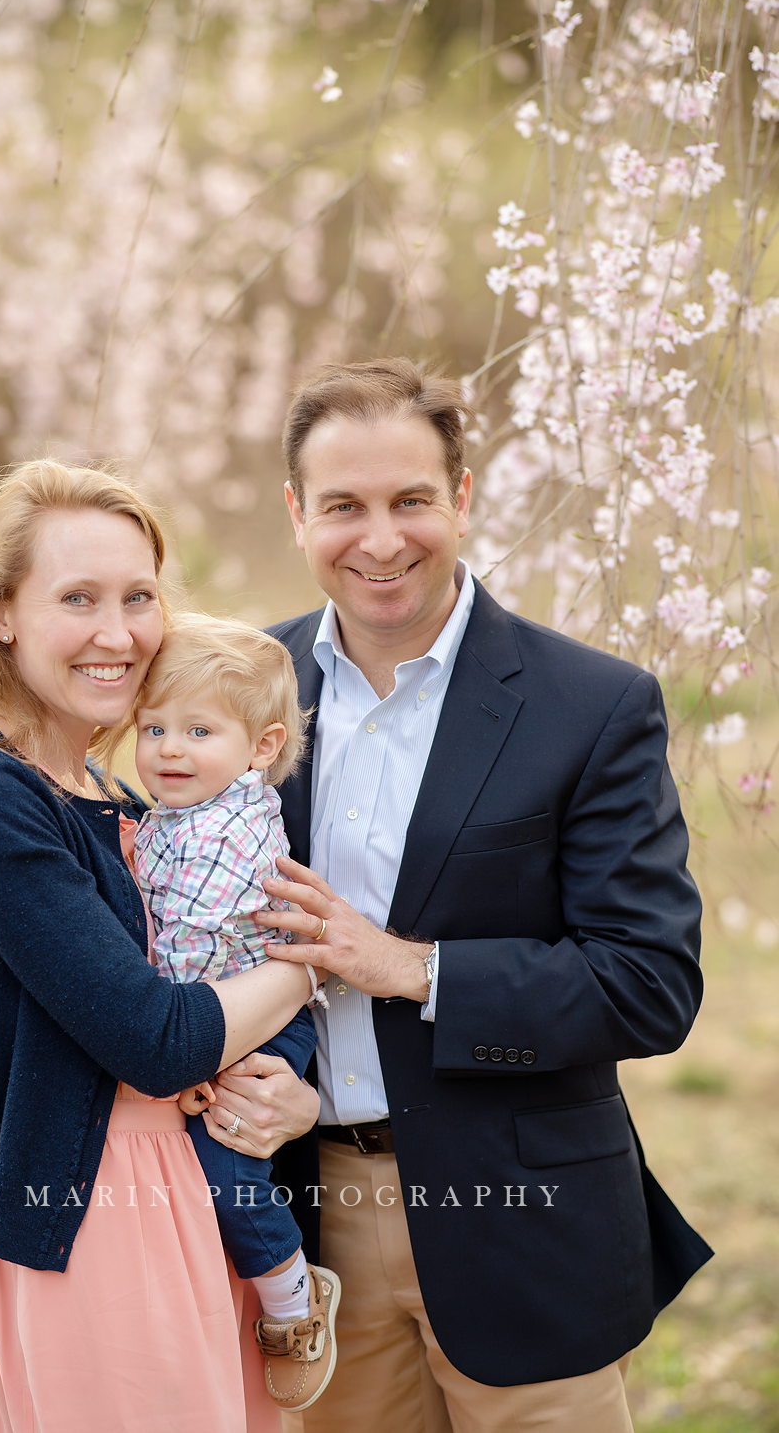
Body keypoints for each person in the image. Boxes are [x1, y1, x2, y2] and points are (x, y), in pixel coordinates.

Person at [250, 359, 712, 1433]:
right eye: (343, 507)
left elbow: (649, 984)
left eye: (411, 499)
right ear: (295, 514)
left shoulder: (591, 706)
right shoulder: (243, 690)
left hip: (522, 1221)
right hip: (307, 1221)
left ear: (462, 495)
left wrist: (411, 968)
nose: (379, 540)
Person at [0, 459, 321, 1433]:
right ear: (0, 613)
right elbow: (157, 1039)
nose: (117, 633)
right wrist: (303, 968)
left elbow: (185, 1002)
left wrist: (286, 1096)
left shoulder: (123, 802)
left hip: (198, 1198)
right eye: (76, 598)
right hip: (85, 1217)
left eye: (139, 597)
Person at [130, 613, 340, 1411]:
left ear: (260, 748)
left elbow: (187, 943)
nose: (169, 749)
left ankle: (293, 1294)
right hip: (218, 1004)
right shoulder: (178, 813)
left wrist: (189, 1056)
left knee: (228, 1170)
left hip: (250, 1016)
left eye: (196, 730)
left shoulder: (235, 825)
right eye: (153, 729)